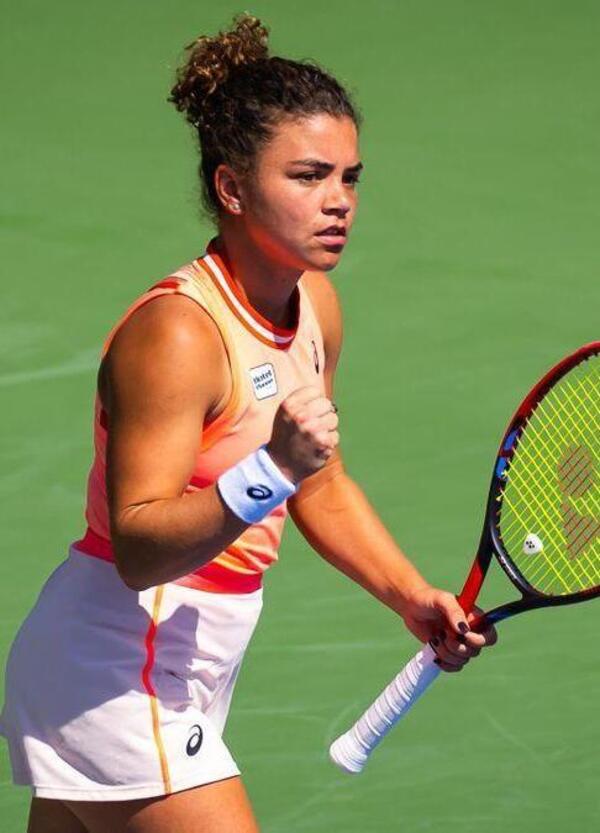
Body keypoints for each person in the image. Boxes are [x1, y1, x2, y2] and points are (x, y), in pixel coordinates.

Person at [0, 14, 497, 833]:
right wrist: (268, 464)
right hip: (127, 658)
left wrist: (410, 595)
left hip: (183, 660)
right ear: (231, 188)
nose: (338, 201)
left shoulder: (314, 307)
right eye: (308, 176)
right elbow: (137, 546)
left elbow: (321, 479)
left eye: (350, 176)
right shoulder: (178, 336)